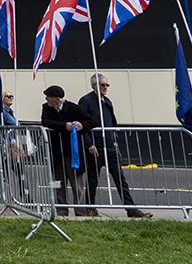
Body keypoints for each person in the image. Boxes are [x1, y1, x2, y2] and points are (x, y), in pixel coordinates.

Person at [77, 75, 152, 218]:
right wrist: (89, 144)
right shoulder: (86, 101)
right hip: (95, 147)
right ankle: (89, 208)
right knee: (93, 179)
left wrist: (115, 139)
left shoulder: (107, 102)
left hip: (110, 146)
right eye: (102, 85)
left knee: (120, 179)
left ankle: (131, 209)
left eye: (106, 85)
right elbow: (82, 124)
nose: (105, 87)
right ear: (94, 86)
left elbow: (112, 122)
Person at [40, 84, 92, 215]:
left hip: (72, 152)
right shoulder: (46, 108)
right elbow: (45, 122)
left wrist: (81, 125)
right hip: (57, 153)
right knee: (58, 184)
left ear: (57, 99)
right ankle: (61, 211)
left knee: (77, 184)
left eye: (49, 97)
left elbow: (91, 121)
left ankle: (80, 212)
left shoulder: (73, 108)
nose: (46, 99)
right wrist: (64, 126)